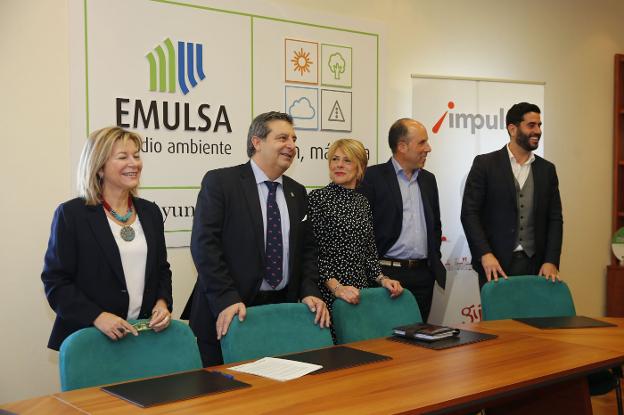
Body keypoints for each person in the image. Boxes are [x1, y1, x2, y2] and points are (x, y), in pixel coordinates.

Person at [185, 111, 330, 367]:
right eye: (282, 138)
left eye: (294, 139)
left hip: (278, 313)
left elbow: (307, 251)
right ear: (257, 142)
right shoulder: (221, 182)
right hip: (229, 311)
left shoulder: (297, 192)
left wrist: (309, 291)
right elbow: (204, 246)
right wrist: (226, 299)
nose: (291, 146)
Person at [41, 127, 172, 351]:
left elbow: (161, 270)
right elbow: (56, 282)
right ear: (100, 168)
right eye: (123, 157)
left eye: (137, 156)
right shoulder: (72, 215)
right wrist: (97, 317)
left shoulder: (150, 212)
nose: (135, 163)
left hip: (144, 336)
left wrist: (162, 302)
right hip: (91, 338)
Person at [461, 102, 563, 286]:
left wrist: (551, 260)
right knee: (499, 316)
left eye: (539, 125)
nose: (538, 131)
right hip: (495, 264)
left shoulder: (547, 170)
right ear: (513, 129)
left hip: (537, 265)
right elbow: (469, 214)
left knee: (535, 315)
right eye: (531, 125)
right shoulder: (485, 165)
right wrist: (485, 254)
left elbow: (555, 218)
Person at [359, 119, 446, 322]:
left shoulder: (428, 179)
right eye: (422, 143)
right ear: (402, 146)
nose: (428, 148)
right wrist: (377, 274)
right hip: (388, 275)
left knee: (420, 339)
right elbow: (363, 230)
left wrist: (432, 263)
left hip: (424, 275)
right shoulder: (372, 177)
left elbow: (435, 226)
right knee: (387, 340)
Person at [308, 139, 403, 324]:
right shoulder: (317, 199)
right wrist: (337, 288)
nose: (339, 165)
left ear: (360, 167)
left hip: (360, 293)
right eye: (335, 159)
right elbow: (314, 254)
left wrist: (383, 279)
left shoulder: (363, 202)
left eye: (347, 160)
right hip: (330, 294)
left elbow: (368, 252)